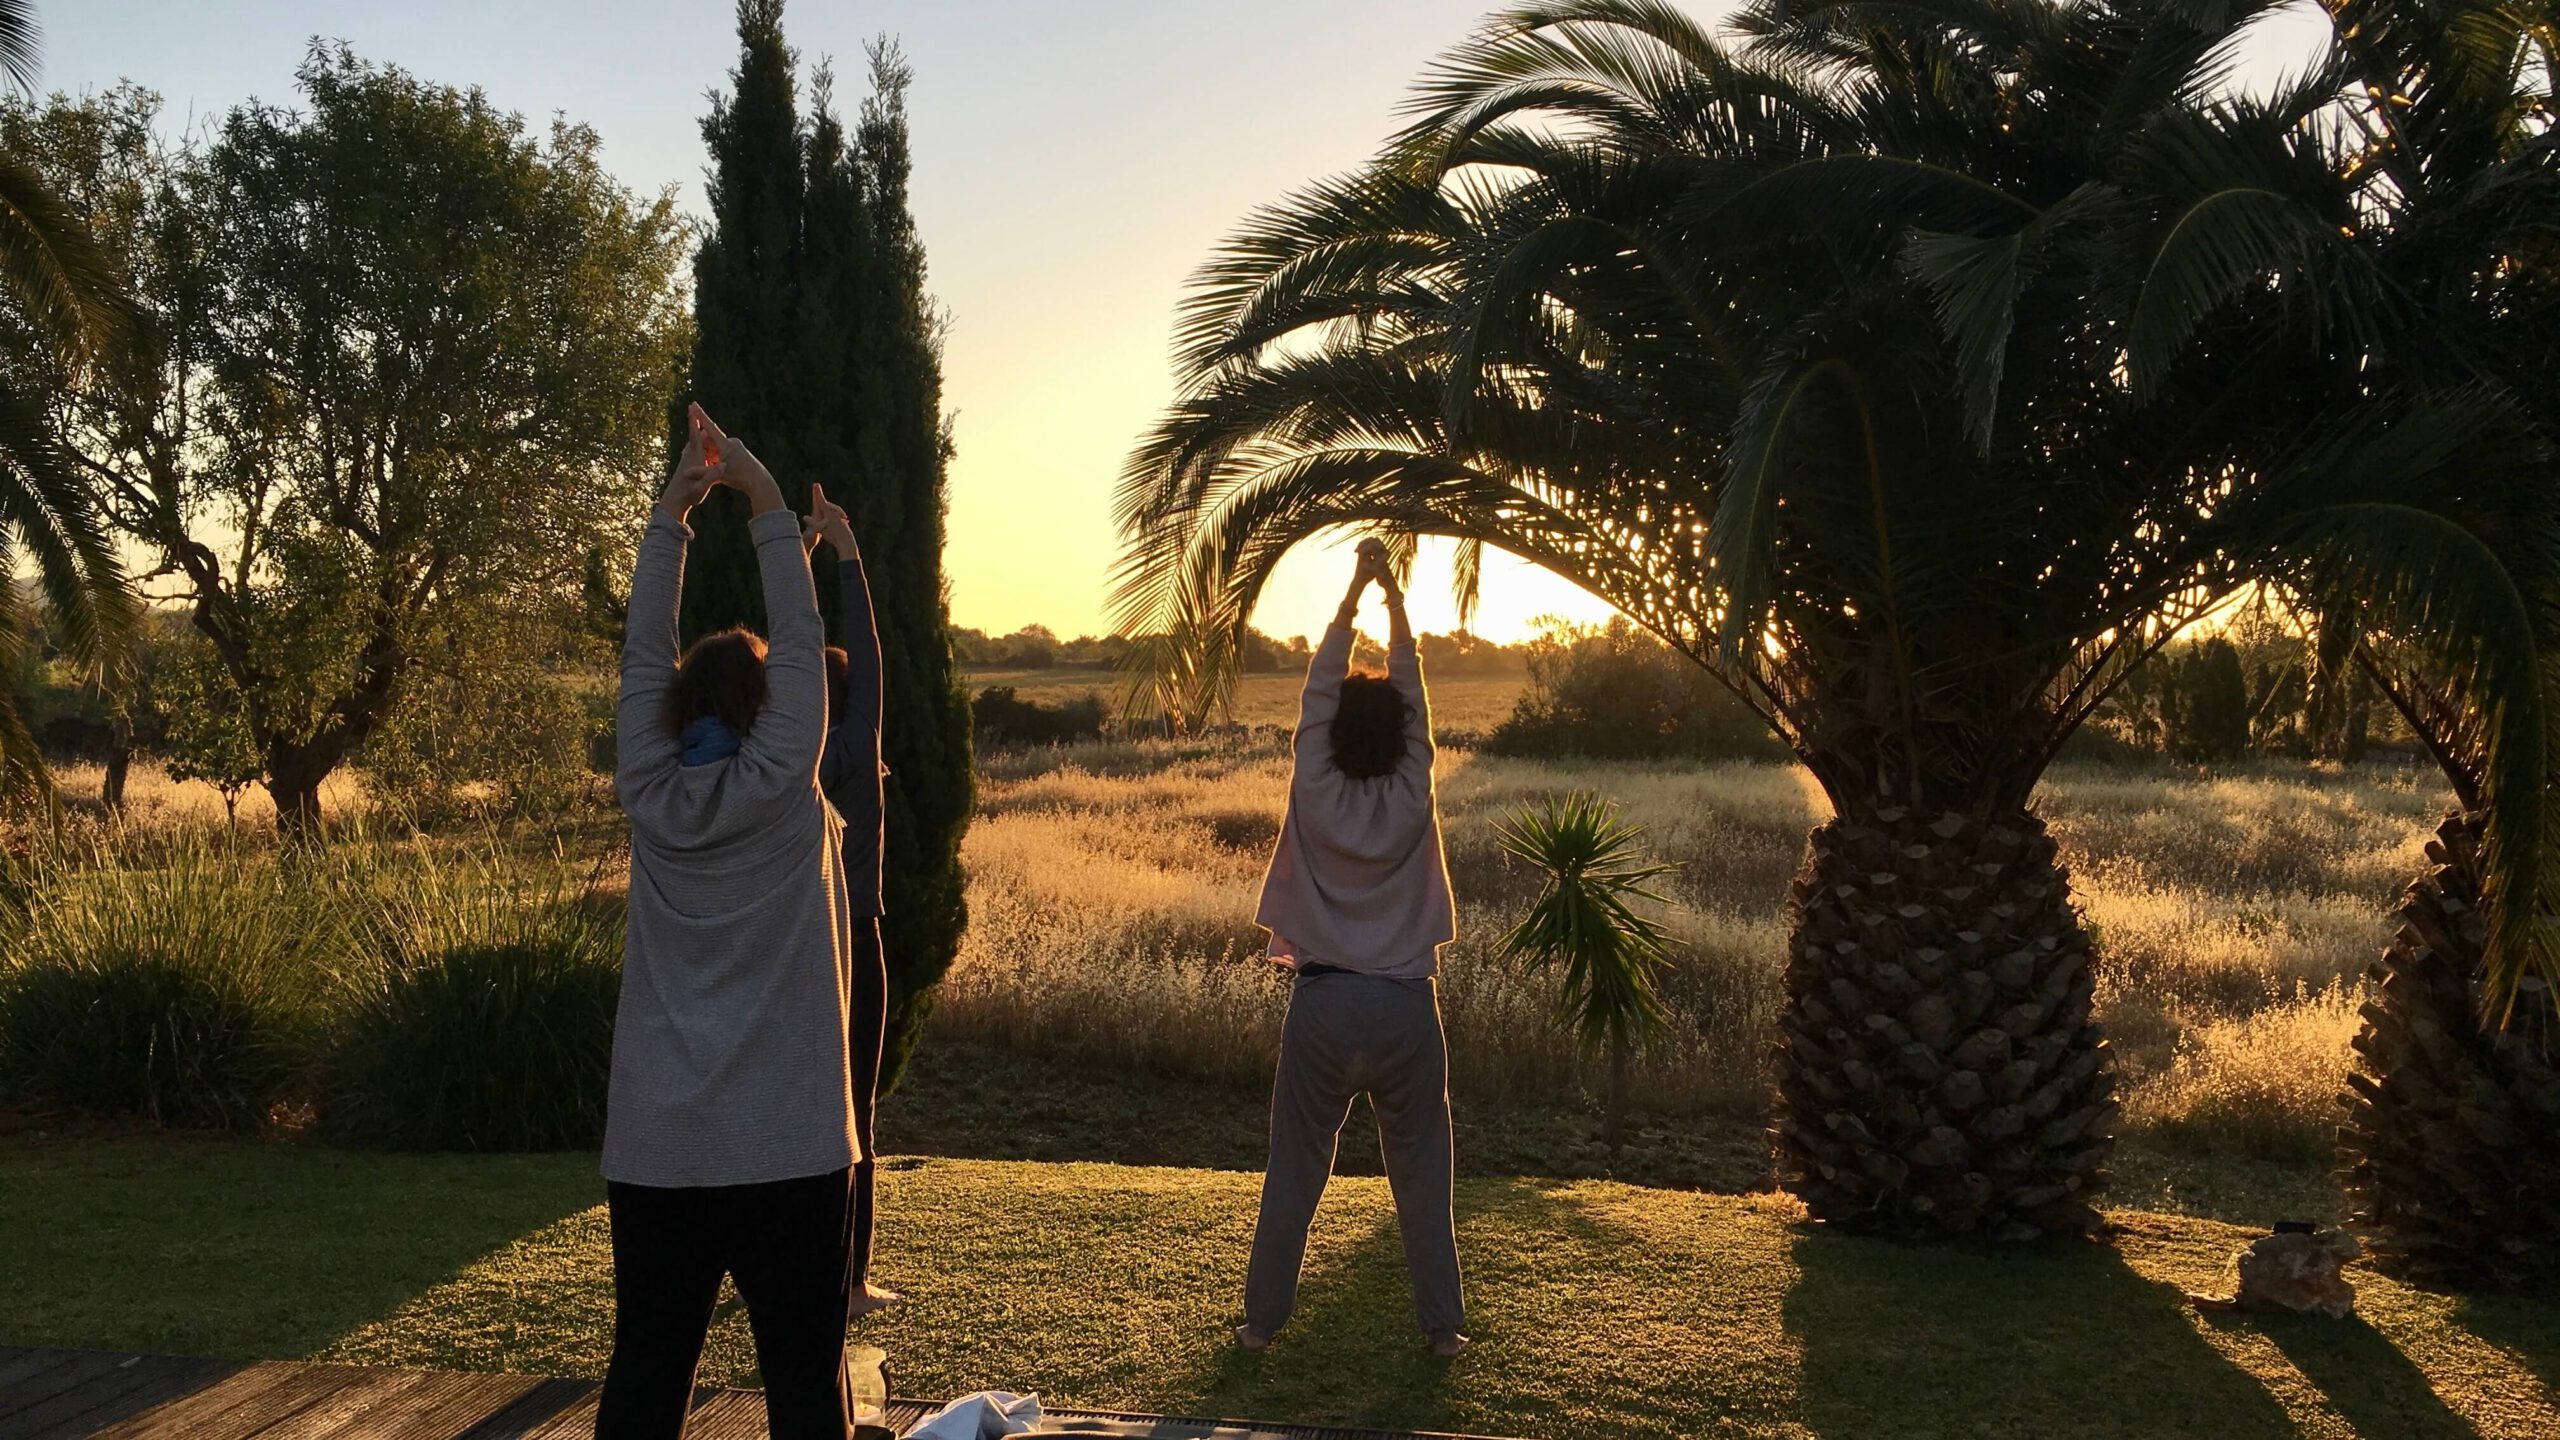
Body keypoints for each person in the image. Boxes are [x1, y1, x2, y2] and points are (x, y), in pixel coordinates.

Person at [598, 402, 861, 1440]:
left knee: (647, 1374)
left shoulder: (648, 794)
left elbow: (636, 655)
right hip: (790, 1145)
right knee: (803, 1383)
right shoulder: (786, 791)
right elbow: (799, 645)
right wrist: (756, 495)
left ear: (673, 710)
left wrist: (672, 515)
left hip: (657, 1148)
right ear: (770, 713)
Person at [1239, 537, 1468, 1358]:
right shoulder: (1415, 788)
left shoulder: (1313, 781)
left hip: (1324, 1005)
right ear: (1406, 736)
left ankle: (1260, 1328)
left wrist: (1350, 598)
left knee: (1294, 1171)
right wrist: (1397, 602)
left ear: (1332, 732)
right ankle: (1443, 1333)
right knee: (1424, 1177)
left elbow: (1315, 696)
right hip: (1408, 1007)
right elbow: (1414, 698)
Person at [803, 483, 899, 1318]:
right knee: (854, 1119)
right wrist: (848, 558)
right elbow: (866, 662)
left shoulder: (785, 769)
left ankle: (801, 1268)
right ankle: (853, 1280)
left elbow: (825, 664)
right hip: (855, 943)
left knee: (800, 1112)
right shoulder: (854, 766)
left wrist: (797, 560)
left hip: (797, 950)